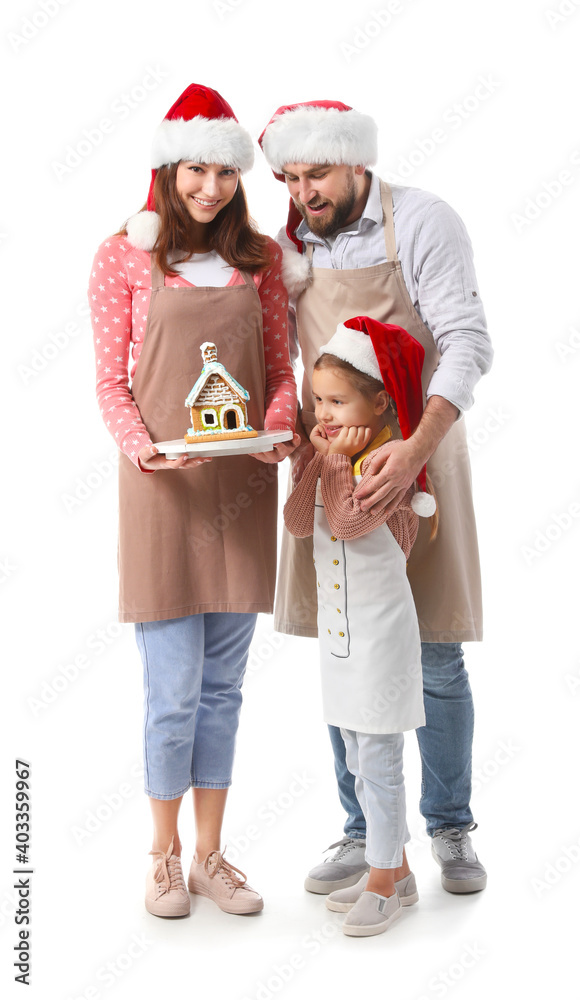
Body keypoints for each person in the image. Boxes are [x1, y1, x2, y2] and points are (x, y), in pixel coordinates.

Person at [258, 99, 493, 894]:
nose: (302, 193)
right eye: (289, 178)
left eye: (315, 174)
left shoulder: (423, 222)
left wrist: (416, 448)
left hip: (417, 455)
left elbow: (467, 340)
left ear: (356, 161)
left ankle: (449, 825)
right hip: (332, 467)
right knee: (344, 642)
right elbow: (284, 355)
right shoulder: (292, 243)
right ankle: (363, 830)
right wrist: (288, 432)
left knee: (432, 649)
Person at [88, 84, 298, 919]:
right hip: (161, 494)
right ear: (168, 171)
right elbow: (110, 382)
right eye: (194, 171)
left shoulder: (263, 260)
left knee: (224, 690)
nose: (209, 188)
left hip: (242, 486)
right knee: (172, 689)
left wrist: (278, 428)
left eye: (222, 171)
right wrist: (144, 447)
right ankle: (163, 855)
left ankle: (213, 855)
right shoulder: (122, 256)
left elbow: (281, 372)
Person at [284, 316, 436, 937]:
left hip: (379, 638)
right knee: (353, 751)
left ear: (378, 403)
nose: (323, 412)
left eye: (337, 400)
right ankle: (395, 869)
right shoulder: (330, 458)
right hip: (340, 638)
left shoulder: (386, 466)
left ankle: (382, 881)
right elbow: (299, 523)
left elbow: (348, 524)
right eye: (317, 399)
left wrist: (337, 464)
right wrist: (307, 461)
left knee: (378, 757)